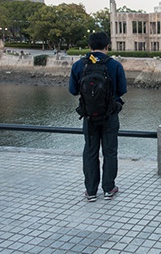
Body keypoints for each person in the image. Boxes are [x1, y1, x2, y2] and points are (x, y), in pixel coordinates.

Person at [69, 32, 127, 202]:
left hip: (89, 116)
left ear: (89, 46)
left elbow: (73, 90)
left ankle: (91, 191)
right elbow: (122, 90)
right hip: (110, 115)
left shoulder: (80, 65)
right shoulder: (115, 65)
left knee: (90, 152)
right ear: (107, 46)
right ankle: (109, 188)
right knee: (110, 152)